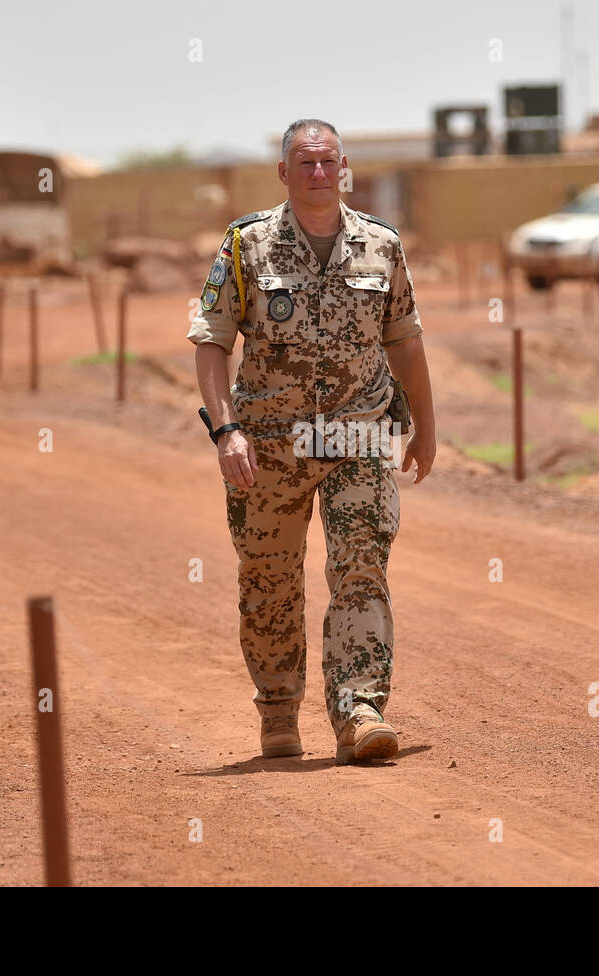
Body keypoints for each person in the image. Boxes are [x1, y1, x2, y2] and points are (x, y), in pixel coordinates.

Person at [187, 118, 436, 764]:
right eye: (306, 163)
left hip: (360, 432)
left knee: (361, 567)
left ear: (343, 167)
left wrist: (425, 429)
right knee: (269, 577)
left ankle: (360, 709)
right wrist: (226, 432)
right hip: (271, 442)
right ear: (284, 172)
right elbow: (212, 342)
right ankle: (277, 708)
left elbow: (405, 340)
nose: (319, 173)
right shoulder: (247, 246)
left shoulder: (381, 245)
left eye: (328, 162)